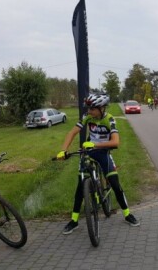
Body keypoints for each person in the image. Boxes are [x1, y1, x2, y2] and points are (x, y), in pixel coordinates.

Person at [56, 94, 140, 234]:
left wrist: (96, 144)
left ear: (102, 108)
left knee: (115, 184)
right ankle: (74, 220)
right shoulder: (87, 117)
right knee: (80, 186)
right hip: (88, 151)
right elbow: (72, 132)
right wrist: (63, 150)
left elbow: (115, 142)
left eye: (92, 109)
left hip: (103, 152)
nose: (89, 111)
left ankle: (127, 214)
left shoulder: (109, 119)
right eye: (88, 108)